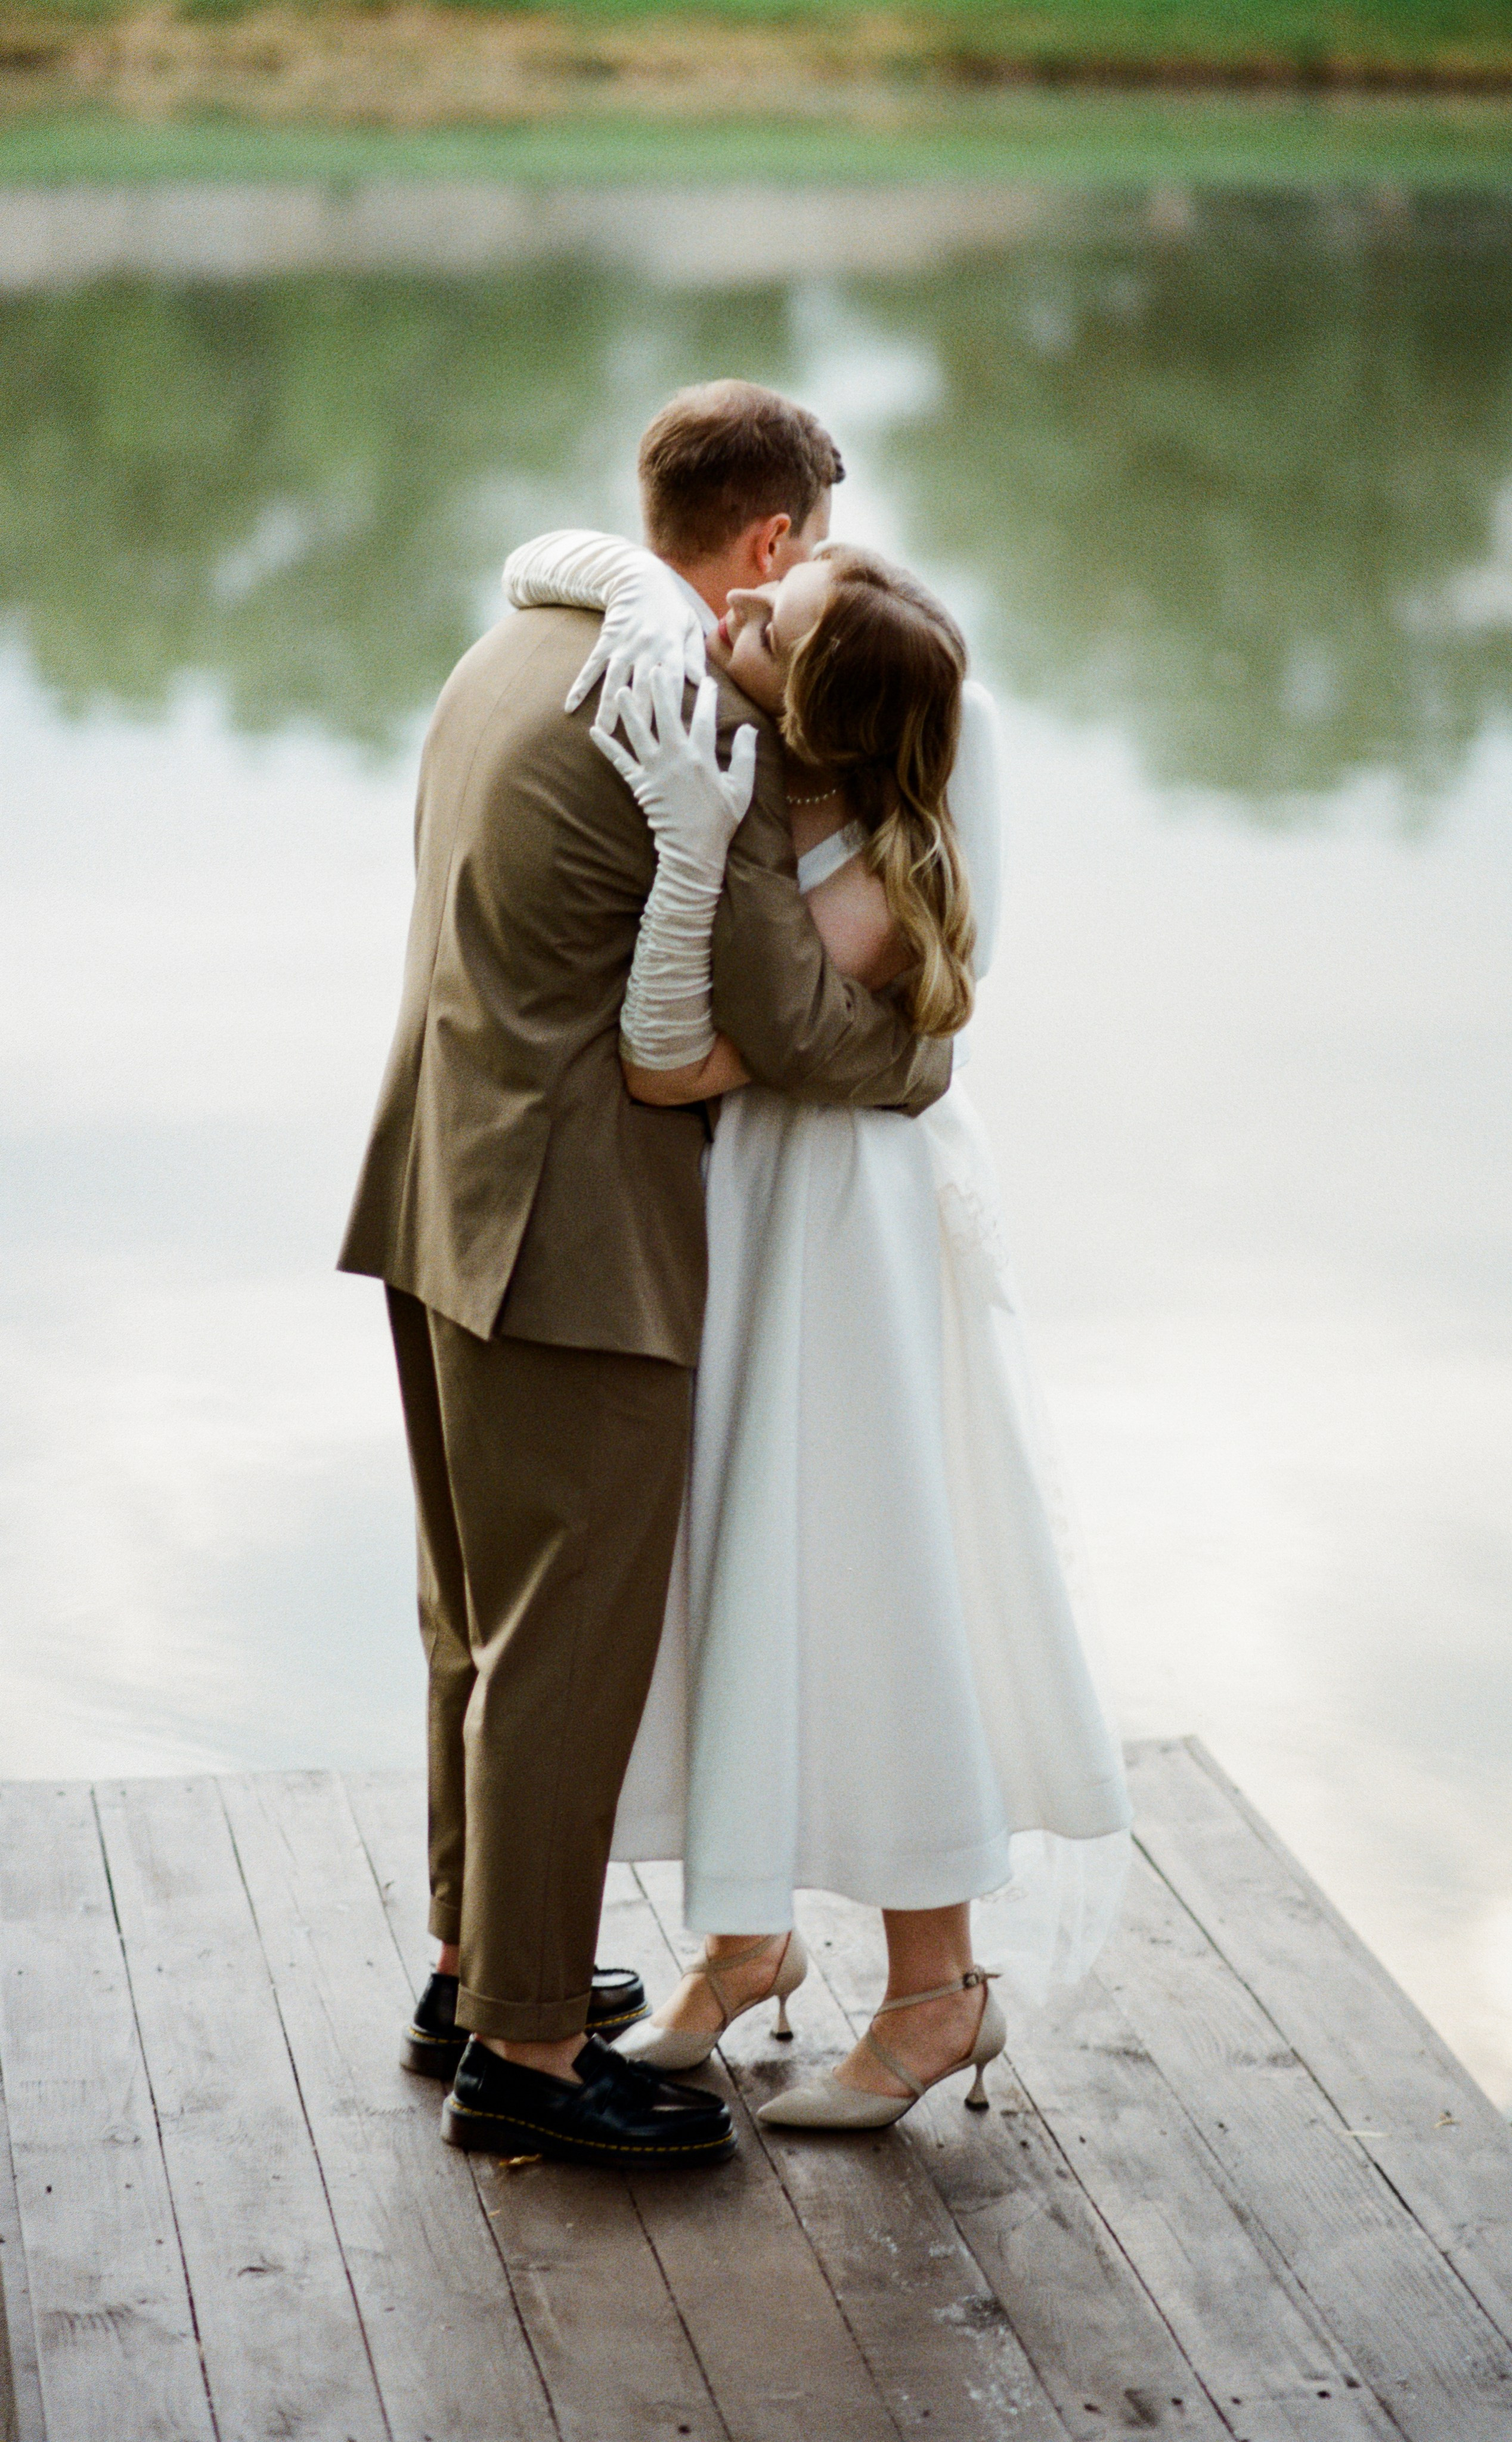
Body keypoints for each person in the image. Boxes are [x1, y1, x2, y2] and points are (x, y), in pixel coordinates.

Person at [337, 381, 952, 2168]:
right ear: (768, 543)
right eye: (810, 557)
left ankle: (474, 1970)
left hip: (436, 1181)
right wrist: (926, 1061)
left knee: (473, 1621)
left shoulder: (520, 639)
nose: (805, 589)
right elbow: (794, 1024)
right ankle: (525, 2062)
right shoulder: (693, 714)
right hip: (572, 1238)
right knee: (564, 1648)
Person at [500, 528, 1132, 2130]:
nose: (732, 617)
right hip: (767, 1216)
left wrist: (716, 847)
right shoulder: (794, 781)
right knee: (746, 1562)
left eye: (764, 628)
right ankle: (746, 1943)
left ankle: (936, 1995)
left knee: (864, 1570)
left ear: (822, 716)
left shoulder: (858, 880)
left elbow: (737, 1042)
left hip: (842, 1252)